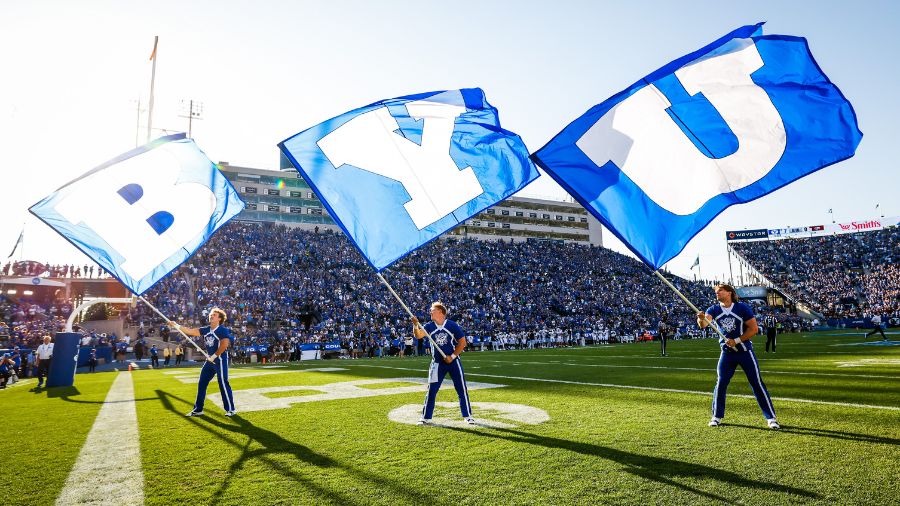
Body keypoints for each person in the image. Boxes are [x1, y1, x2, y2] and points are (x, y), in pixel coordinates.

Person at [697, 284, 779, 430]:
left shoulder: (742, 308)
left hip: (744, 351)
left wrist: (736, 340)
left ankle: (771, 418)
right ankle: (716, 416)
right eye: (716, 291)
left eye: (720, 290)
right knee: (721, 383)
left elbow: (753, 329)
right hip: (727, 354)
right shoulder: (713, 309)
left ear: (729, 293)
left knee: (756, 383)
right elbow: (703, 325)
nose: (717, 293)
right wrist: (701, 318)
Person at [412, 301, 474, 425]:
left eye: (432, 310)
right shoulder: (430, 326)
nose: (430, 312)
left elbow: (462, 343)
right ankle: (425, 417)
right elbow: (418, 335)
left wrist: (452, 356)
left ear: (440, 312)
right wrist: (415, 325)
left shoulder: (452, 325)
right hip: (437, 364)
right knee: (432, 390)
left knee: (461, 389)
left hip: (453, 362)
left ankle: (468, 416)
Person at [175, 307, 236, 417]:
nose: (211, 315)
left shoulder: (222, 330)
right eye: (211, 314)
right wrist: (177, 326)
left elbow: (224, 344)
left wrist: (214, 356)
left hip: (220, 360)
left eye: (214, 315)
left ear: (219, 319)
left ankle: (231, 409)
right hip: (210, 361)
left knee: (223, 382)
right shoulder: (206, 329)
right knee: (202, 382)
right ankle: (198, 409)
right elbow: (191, 331)